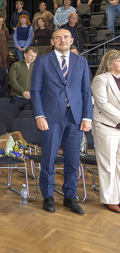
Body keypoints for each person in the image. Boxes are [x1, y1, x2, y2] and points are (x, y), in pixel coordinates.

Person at [31, 29, 92, 215]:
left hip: (75, 118)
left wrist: (87, 117)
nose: (62, 40)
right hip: (50, 118)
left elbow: (86, 92)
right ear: (52, 42)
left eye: (66, 37)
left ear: (71, 40)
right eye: (58, 38)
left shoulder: (81, 61)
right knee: (48, 159)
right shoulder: (42, 61)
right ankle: (48, 196)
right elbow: (35, 91)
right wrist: (39, 116)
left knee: (73, 160)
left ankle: (70, 197)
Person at [90, 50, 120, 213]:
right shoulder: (101, 79)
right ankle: (110, 199)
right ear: (109, 64)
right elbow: (103, 103)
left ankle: (119, 196)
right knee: (108, 165)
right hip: (106, 127)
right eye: (119, 60)